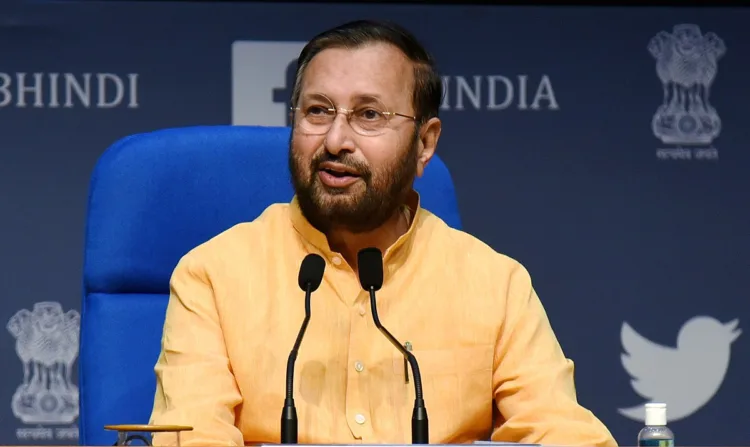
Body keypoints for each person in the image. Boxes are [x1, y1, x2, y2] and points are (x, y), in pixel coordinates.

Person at [149, 19, 617, 447]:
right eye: (317, 111)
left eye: (369, 115)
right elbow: (192, 437)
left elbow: (563, 433)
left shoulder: (496, 285)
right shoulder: (213, 275)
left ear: (425, 144)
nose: (335, 140)